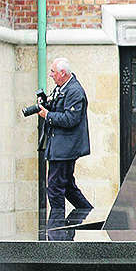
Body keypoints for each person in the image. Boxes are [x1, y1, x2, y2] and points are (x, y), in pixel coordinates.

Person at [38, 57, 93, 242]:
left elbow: (70, 119)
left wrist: (47, 115)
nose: (51, 75)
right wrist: (46, 104)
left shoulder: (75, 91)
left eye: (53, 71)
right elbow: (58, 109)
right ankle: (89, 214)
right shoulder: (62, 88)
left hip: (66, 148)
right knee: (68, 186)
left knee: (54, 187)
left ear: (63, 73)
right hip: (58, 147)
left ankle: (56, 231)